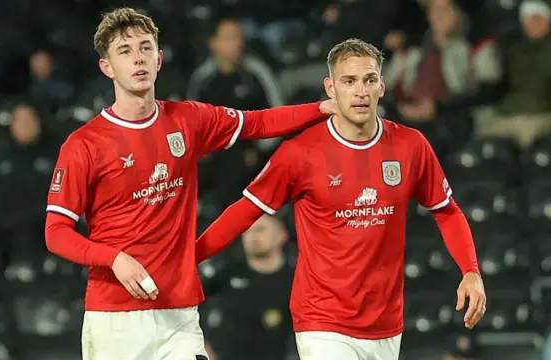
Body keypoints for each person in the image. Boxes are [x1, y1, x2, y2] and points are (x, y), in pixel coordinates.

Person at [43, 7, 338, 360]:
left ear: (159, 58)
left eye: (145, 48)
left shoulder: (187, 119)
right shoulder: (84, 144)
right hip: (114, 319)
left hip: (180, 315)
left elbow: (257, 123)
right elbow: (55, 232)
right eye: (125, 51)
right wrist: (114, 258)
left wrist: (323, 108)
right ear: (107, 67)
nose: (138, 58)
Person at [195, 38, 487, 360]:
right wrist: (192, 257)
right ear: (330, 88)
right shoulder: (301, 153)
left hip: (386, 322)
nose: (361, 91)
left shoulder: (411, 146)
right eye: (349, 81)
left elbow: (446, 211)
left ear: (382, 86)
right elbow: (244, 212)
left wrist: (470, 271)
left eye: (369, 80)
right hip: (322, 320)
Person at [199, 213, 295, 360]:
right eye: (247, 231)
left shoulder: (295, 280)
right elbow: (194, 304)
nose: (253, 237)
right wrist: (202, 344)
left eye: (260, 229)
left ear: (282, 234)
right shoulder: (226, 274)